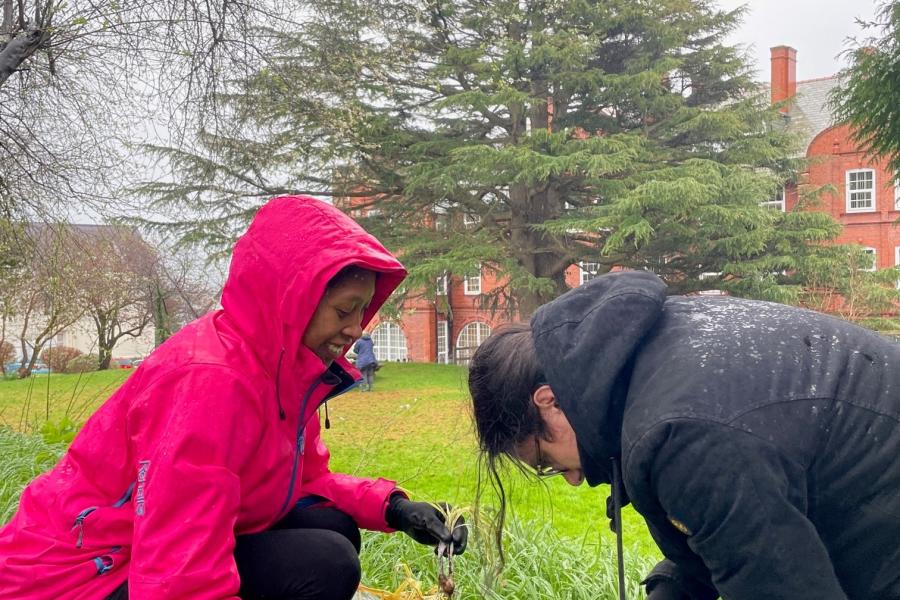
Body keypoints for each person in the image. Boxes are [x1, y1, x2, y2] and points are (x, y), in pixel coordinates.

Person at [0, 196, 466, 600]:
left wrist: (393, 507)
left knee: (332, 528)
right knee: (326, 560)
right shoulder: (210, 381)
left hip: (137, 551)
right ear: (292, 298)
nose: (355, 329)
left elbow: (299, 483)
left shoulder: (281, 369)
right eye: (345, 310)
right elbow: (176, 566)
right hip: (77, 575)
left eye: (362, 311)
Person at [468, 269, 900, 600]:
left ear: (549, 402)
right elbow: (728, 530)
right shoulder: (641, 356)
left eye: (546, 461)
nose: (572, 478)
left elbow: (781, 584)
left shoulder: (681, 433)